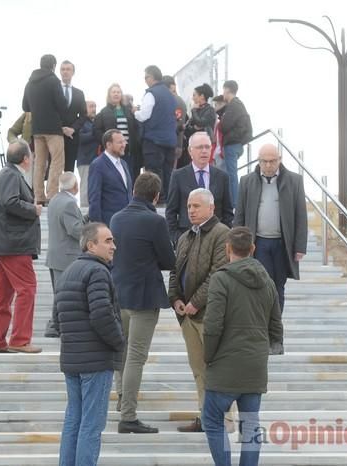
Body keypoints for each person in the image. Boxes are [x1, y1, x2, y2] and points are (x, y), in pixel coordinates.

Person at [203, 227, 284, 466]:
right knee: (250, 424)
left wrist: (209, 356)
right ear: (253, 249)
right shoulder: (268, 282)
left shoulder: (221, 278)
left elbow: (212, 326)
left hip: (224, 365)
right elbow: (276, 327)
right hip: (255, 365)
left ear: (227, 248)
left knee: (212, 419)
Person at [54, 222, 125, 466]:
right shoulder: (97, 272)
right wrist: (119, 341)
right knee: (91, 425)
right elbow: (101, 314)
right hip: (95, 361)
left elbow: (57, 319)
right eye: (107, 241)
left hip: (73, 359)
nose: (113, 246)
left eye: (113, 240)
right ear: (90, 245)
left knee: (74, 420)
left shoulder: (69, 272)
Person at [110, 172, 176, 434]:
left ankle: (122, 403)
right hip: (144, 297)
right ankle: (128, 416)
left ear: (134, 190)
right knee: (136, 356)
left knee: (122, 354)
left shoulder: (116, 218)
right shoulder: (155, 222)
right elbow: (169, 261)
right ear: (156, 196)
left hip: (118, 294)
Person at [168, 188, 229, 432]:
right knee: (198, 370)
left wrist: (196, 302)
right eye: (189, 206)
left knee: (218, 370)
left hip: (209, 315)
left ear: (211, 208)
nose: (191, 210)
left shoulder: (222, 234)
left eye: (196, 206)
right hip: (188, 317)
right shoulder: (185, 237)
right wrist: (175, 298)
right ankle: (206, 418)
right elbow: (174, 271)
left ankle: (224, 421)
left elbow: (218, 273)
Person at [234, 144, 308, 314]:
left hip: (282, 244)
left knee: (278, 285)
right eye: (264, 161)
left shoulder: (294, 181)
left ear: (279, 160)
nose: (268, 165)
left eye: (272, 161)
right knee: (260, 283)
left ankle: (276, 325)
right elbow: (240, 215)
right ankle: (263, 324)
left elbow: (301, 215)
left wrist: (300, 246)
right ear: (258, 161)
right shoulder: (247, 181)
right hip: (258, 242)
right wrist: (238, 244)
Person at [0, 140, 42, 354]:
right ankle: (19, 339)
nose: (32, 158)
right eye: (31, 155)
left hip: (7, 243)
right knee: (27, 289)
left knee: (4, 293)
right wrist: (33, 209)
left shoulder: (7, 174)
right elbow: (10, 202)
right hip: (13, 244)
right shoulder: (11, 175)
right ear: (26, 158)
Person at [167, 131, 233, 244]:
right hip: (187, 238)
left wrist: (223, 237)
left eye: (207, 147)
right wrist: (177, 238)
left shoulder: (222, 176)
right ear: (190, 151)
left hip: (215, 240)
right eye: (199, 147)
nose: (204, 151)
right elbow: (171, 212)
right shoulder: (178, 176)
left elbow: (227, 212)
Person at [22, 54, 69, 204]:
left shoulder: (30, 82)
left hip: (37, 129)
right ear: (54, 65)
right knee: (56, 162)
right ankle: (52, 195)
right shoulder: (53, 81)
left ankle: (39, 197)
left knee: (39, 163)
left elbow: (25, 106)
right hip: (53, 129)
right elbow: (62, 105)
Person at [44, 172, 86, 337]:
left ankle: (57, 325)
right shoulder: (69, 203)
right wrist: (92, 230)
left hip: (56, 255)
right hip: (66, 256)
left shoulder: (55, 199)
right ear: (75, 186)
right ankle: (55, 325)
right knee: (64, 294)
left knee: (60, 293)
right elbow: (74, 229)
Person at [134, 65, 177, 203]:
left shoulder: (151, 93)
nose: (145, 80)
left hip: (154, 141)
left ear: (151, 77)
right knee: (168, 173)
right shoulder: (170, 95)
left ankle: (157, 201)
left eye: (146, 77)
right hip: (170, 141)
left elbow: (144, 115)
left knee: (153, 173)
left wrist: (134, 111)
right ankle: (169, 201)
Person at [94, 83, 140, 181]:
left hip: (128, 150)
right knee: (115, 178)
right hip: (113, 151)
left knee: (130, 177)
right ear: (109, 95)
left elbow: (136, 128)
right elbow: (96, 130)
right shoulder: (103, 112)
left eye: (118, 92)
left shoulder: (128, 111)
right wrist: (107, 142)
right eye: (113, 92)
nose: (116, 94)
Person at [87, 129, 133, 226]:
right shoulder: (98, 165)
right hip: (109, 224)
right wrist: (99, 227)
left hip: (127, 222)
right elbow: (94, 198)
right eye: (120, 142)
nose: (124, 145)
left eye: (124, 141)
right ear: (108, 145)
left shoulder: (124, 164)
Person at [220, 80, 253, 206]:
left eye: (223, 91)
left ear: (227, 90)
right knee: (230, 174)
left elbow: (225, 125)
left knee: (231, 175)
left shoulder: (233, 105)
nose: (223, 94)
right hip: (237, 144)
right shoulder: (239, 104)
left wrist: (222, 120)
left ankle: (234, 204)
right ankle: (234, 202)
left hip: (232, 144)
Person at [59, 60, 87, 173]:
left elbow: (83, 115)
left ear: (73, 72)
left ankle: (66, 191)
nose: (65, 72)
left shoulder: (79, 93)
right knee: (53, 169)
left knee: (69, 170)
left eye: (68, 69)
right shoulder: (54, 90)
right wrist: (60, 128)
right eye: (63, 69)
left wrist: (72, 129)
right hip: (55, 135)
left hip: (72, 137)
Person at [162, 75, 189, 168]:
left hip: (173, 144)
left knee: (170, 175)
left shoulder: (176, 101)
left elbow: (178, 123)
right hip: (173, 144)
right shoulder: (174, 100)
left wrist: (179, 146)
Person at [76, 100, 98, 207]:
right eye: (91, 106)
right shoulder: (82, 122)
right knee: (85, 185)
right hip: (85, 159)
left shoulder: (95, 123)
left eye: (95, 106)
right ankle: (84, 209)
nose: (94, 109)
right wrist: (95, 132)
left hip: (95, 159)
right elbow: (80, 138)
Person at [210, 95, 226, 169]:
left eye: (216, 105)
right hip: (217, 155)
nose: (215, 108)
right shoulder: (218, 122)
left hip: (221, 154)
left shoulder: (225, 121)